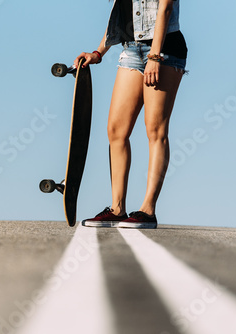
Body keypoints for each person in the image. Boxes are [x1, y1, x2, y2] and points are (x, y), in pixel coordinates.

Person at [74, 0, 187, 229]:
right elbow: (120, 11)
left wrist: (155, 57)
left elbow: (164, 8)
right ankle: (117, 209)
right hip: (131, 49)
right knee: (116, 131)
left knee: (155, 130)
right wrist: (99, 52)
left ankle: (147, 210)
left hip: (164, 48)